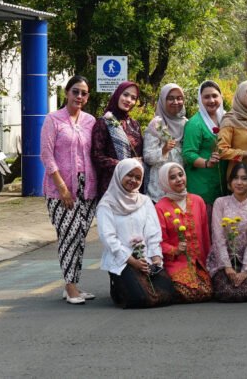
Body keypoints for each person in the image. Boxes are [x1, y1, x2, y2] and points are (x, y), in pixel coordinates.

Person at [40, 75, 99, 304]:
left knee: (81, 236)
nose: (80, 97)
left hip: (87, 188)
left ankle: (74, 283)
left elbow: (95, 153)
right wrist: (62, 187)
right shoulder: (53, 120)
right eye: (76, 92)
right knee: (69, 234)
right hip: (61, 188)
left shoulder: (90, 121)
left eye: (84, 93)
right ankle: (70, 286)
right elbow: (46, 155)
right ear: (67, 93)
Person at [96, 159, 174, 308]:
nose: (133, 180)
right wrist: (133, 261)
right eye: (129, 175)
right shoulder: (107, 204)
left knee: (168, 294)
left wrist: (156, 258)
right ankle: (119, 288)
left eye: (138, 177)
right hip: (122, 260)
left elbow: (153, 233)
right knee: (139, 299)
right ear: (119, 175)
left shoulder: (145, 201)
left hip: (146, 258)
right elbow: (108, 238)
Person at [155, 162, 212, 303]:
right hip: (175, 263)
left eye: (181, 175)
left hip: (199, 262)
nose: (179, 179)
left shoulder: (198, 201)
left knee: (206, 291)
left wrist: (208, 263)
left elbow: (205, 236)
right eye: (173, 177)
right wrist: (174, 249)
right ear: (165, 182)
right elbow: (158, 241)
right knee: (189, 292)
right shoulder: (160, 207)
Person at [207, 163, 247, 302]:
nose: (239, 182)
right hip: (223, 261)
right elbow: (218, 237)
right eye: (236, 178)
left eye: (244, 179)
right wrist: (227, 267)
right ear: (230, 181)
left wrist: (245, 271)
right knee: (225, 292)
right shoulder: (220, 203)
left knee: (246, 291)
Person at [91, 81, 143, 198]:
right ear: (117, 94)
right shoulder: (104, 122)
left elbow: (140, 153)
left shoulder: (134, 125)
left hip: (132, 186)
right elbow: (97, 156)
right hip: (111, 185)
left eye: (133, 98)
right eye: (125, 95)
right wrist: (123, 165)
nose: (129, 100)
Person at [182, 80, 227, 206]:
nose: (211, 100)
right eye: (206, 97)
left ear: (221, 97)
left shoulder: (226, 118)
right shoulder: (195, 123)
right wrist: (207, 163)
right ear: (200, 99)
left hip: (222, 182)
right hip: (201, 184)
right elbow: (188, 153)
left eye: (214, 96)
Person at [144, 83, 188, 201]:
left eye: (179, 98)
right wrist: (164, 150)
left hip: (181, 185)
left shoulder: (187, 124)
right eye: (170, 98)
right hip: (159, 189)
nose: (176, 102)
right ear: (163, 101)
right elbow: (148, 157)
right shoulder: (156, 124)